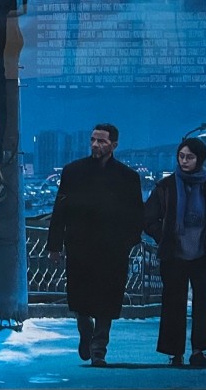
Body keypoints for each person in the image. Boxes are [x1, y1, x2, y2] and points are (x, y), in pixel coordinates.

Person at [47, 124, 143, 367]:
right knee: (79, 297)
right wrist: (54, 246)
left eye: (101, 141)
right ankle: (85, 332)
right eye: (93, 140)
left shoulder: (128, 177)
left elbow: (136, 215)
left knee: (107, 300)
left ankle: (99, 349)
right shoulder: (73, 172)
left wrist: (128, 242)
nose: (95, 145)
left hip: (113, 249)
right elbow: (60, 210)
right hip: (80, 246)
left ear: (114, 145)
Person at [143, 137, 206, 368]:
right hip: (174, 255)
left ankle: (198, 351)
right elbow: (148, 218)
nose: (184, 161)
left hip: (203, 254)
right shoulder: (166, 186)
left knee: (203, 305)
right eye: (181, 156)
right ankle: (175, 353)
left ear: (199, 159)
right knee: (173, 305)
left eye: (189, 157)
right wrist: (163, 236)